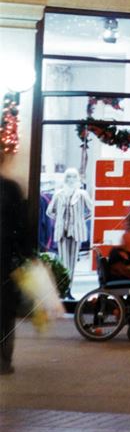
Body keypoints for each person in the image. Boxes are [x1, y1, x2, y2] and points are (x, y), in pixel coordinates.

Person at [0, 158, 31, 375]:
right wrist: (26, 255)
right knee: (5, 314)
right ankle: (3, 361)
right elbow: (23, 227)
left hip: (5, 258)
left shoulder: (10, 188)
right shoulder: (11, 189)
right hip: (5, 260)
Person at [46, 167, 93, 293]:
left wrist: (80, 220)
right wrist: (60, 219)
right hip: (62, 231)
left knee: (72, 262)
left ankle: (69, 289)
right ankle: (63, 288)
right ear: (65, 179)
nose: (71, 179)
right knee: (63, 261)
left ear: (77, 178)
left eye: (73, 177)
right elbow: (49, 211)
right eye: (68, 177)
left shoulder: (82, 194)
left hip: (76, 231)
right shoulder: (58, 194)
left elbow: (91, 210)